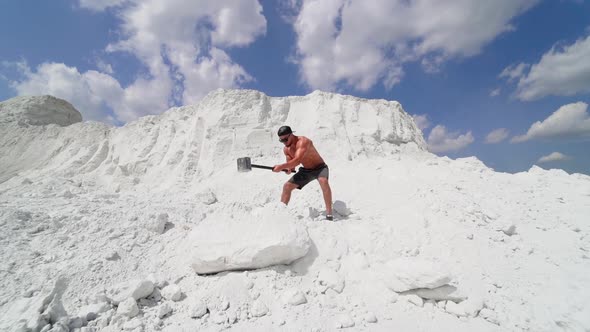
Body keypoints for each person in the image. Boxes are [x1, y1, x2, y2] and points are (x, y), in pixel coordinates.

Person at [272, 126, 333, 220]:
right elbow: (291, 166)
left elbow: (297, 160)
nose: (284, 142)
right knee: (287, 187)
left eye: (285, 139)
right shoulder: (286, 150)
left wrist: (281, 166)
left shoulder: (303, 141)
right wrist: (288, 169)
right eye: (281, 140)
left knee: (323, 181)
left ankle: (329, 214)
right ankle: (281, 213)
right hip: (307, 171)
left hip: (320, 168)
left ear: (291, 134)